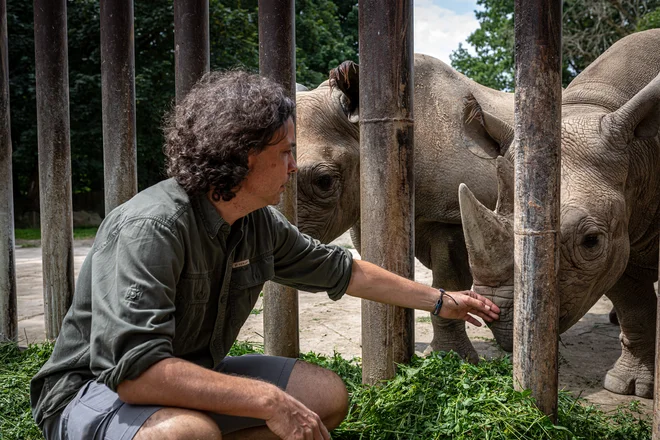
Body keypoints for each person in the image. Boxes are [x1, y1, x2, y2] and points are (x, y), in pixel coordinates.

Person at [30, 71, 500, 440]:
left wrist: (441, 300)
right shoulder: (151, 228)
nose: (294, 165)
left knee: (326, 396)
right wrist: (267, 401)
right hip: (92, 392)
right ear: (241, 156)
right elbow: (135, 374)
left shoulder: (255, 221)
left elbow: (344, 271)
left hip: (190, 375)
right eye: (286, 152)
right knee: (186, 434)